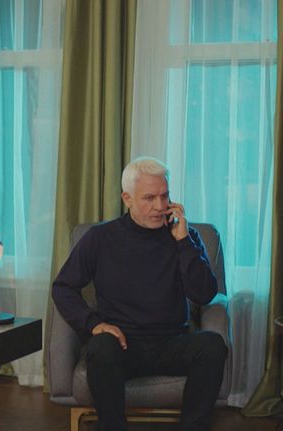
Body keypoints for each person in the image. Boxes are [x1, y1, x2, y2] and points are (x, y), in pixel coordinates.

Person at [52, 157, 227, 431]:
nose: (159, 206)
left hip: (171, 342)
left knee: (213, 345)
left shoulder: (185, 236)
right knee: (100, 347)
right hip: (122, 344)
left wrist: (183, 242)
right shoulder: (100, 238)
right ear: (127, 198)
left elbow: (204, 294)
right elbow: (63, 287)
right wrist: (94, 324)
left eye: (164, 196)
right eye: (149, 198)